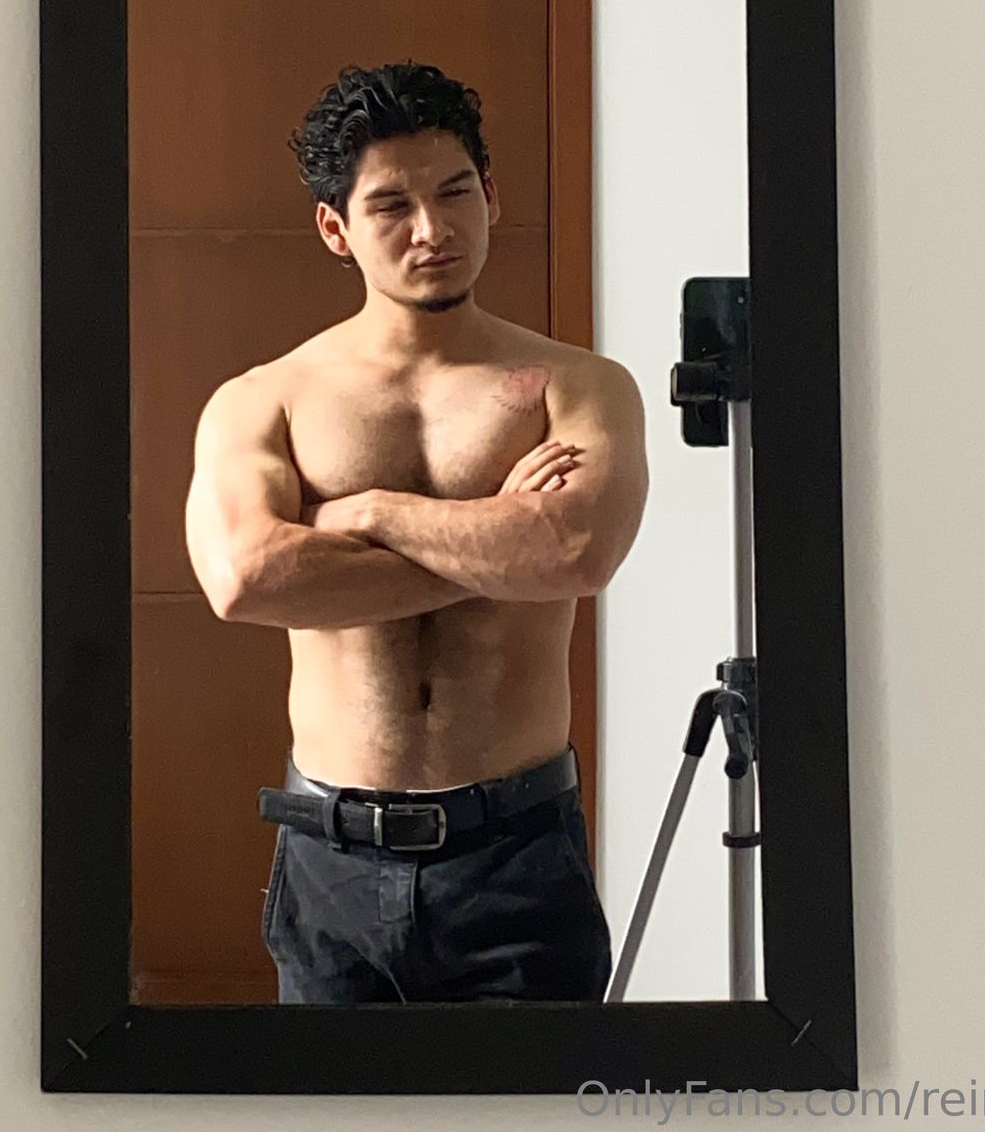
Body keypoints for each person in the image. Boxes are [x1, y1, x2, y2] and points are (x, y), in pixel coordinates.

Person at [184, 60, 649, 1003]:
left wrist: (368, 514)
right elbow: (245, 578)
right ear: (336, 229)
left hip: (517, 850)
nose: (433, 229)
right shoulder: (265, 398)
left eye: (455, 192)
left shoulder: (577, 386)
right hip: (331, 857)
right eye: (392, 205)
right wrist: (502, 539)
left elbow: (577, 552)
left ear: (492, 196)